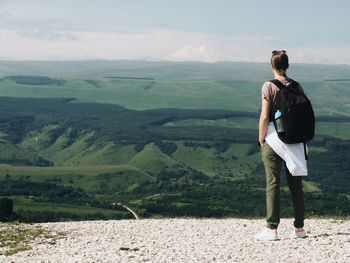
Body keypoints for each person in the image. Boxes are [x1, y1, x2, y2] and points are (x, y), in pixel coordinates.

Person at [256, 50, 308, 241]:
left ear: (272, 65)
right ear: (287, 65)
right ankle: (300, 228)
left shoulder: (268, 86)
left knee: (273, 183)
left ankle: (272, 229)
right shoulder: (297, 86)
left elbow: (264, 116)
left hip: (273, 138)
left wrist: (261, 138)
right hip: (294, 139)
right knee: (296, 185)